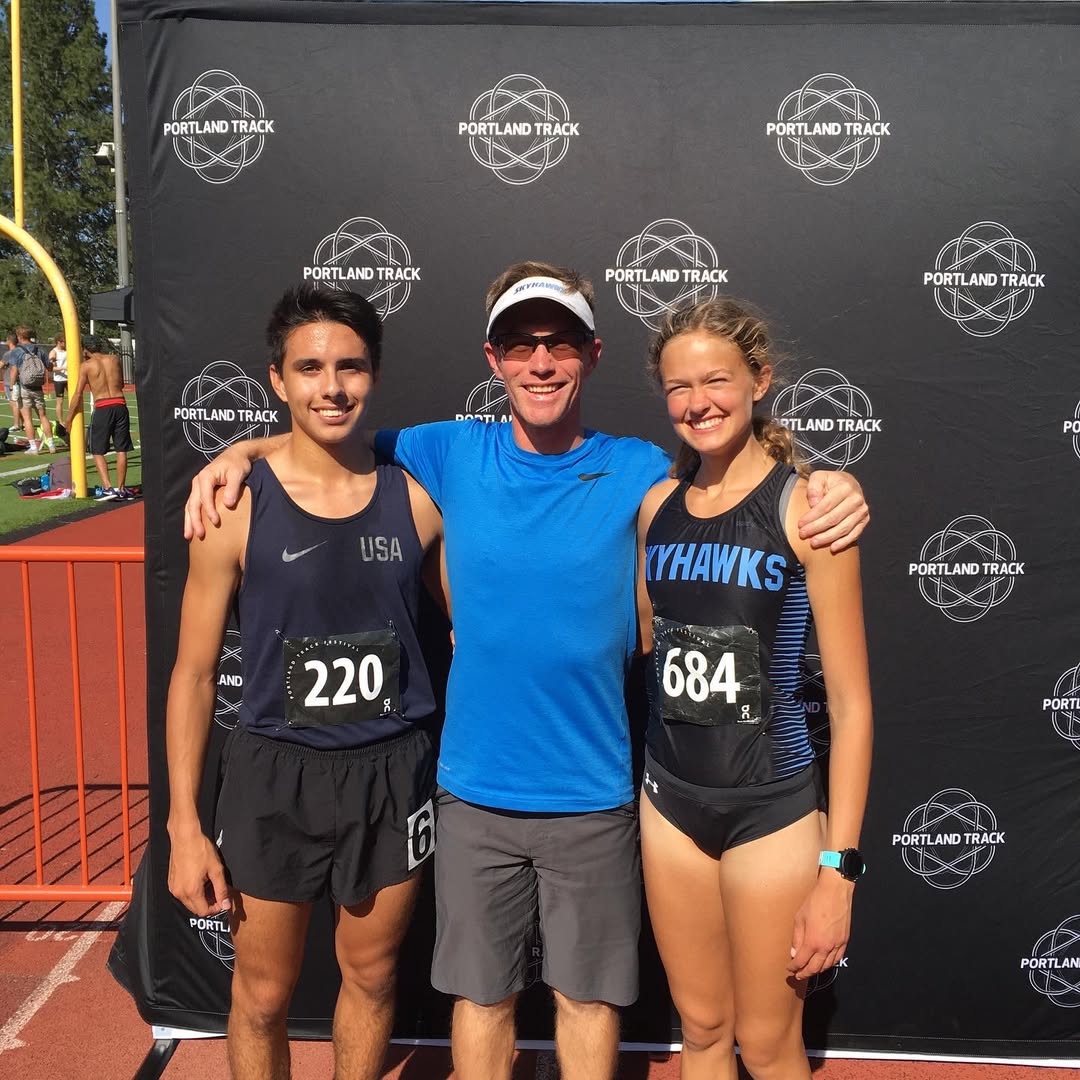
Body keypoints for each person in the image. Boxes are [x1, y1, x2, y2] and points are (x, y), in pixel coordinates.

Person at [183, 262, 870, 1080]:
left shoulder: (641, 472)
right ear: (493, 358)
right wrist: (240, 450)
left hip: (599, 795)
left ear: (591, 354)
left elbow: (739, 487)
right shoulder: (446, 450)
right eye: (519, 343)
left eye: (560, 343)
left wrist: (831, 482)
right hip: (472, 793)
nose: (540, 361)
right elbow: (328, 436)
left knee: (600, 1004)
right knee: (485, 1003)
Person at [166, 283, 443, 1080]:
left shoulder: (418, 500)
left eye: (350, 367)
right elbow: (193, 674)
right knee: (261, 994)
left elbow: (478, 627)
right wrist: (184, 825)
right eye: (310, 368)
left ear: (374, 375)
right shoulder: (232, 508)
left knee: (373, 975)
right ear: (278, 380)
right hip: (273, 776)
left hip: (390, 772)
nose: (332, 387)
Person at [635, 298, 872, 1079]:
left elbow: (852, 707)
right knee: (702, 1029)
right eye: (679, 387)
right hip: (670, 805)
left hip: (772, 813)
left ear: (759, 381)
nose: (697, 402)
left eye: (716, 381)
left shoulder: (809, 510)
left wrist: (838, 873)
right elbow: (649, 646)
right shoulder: (656, 509)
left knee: (768, 1046)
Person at [64, 335, 134, 500]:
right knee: (121, 449)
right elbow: (121, 383)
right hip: (120, 404)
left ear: (85, 350)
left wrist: (69, 418)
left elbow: (78, 394)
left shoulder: (86, 366)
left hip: (103, 406)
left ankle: (108, 487)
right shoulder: (114, 359)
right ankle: (121, 488)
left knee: (97, 450)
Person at [12, 326, 57, 454]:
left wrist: (12, 385)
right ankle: (51, 445)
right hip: (38, 387)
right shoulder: (39, 350)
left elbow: (14, 370)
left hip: (24, 387)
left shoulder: (17, 351)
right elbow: (49, 367)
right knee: (43, 416)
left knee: (27, 418)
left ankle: (33, 447)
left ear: (19, 336)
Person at [2, 332, 24, 434]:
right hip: (20, 380)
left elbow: (1, 365)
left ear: (9, 341)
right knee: (20, 403)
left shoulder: (8, 354)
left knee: (14, 404)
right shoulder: (21, 352)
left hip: (10, 381)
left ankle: (16, 425)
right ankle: (24, 423)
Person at [49, 334, 68, 434]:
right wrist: (63, 368)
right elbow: (52, 368)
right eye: (64, 342)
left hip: (69, 379)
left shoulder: (68, 350)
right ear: (59, 342)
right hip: (59, 380)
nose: (65, 343)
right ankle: (61, 421)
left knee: (74, 398)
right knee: (60, 401)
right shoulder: (53, 352)